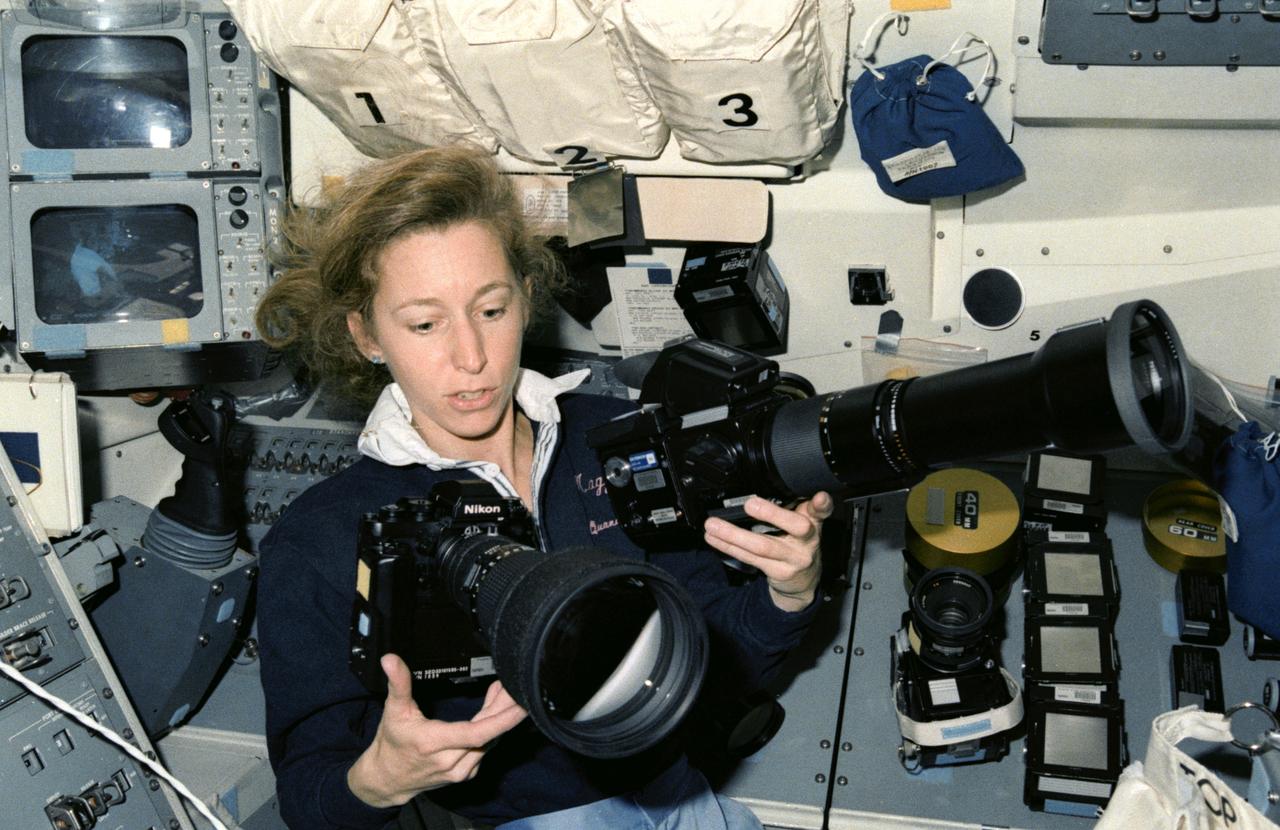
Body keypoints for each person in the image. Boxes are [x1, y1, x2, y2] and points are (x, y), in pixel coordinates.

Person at [253, 145, 833, 830]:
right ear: (366, 336)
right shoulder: (321, 537)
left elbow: (717, 661)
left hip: (686, 799)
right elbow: (308, 794)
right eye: (424, 324)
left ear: (527, 300)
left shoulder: (620, 440)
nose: (470, 357)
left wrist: (786, 594)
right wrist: (379, 780)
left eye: (490, 311)